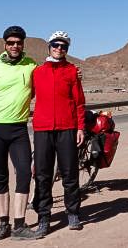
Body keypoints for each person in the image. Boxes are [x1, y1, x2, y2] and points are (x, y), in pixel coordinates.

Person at [0, 25, 42, 241]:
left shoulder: (31, 66)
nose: (15, 46)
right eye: (11, 43)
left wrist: (74, 73)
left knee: (23, 173)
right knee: (0, 177)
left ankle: (19, 225)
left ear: (23, 45)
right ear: (5, 44)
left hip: (18, 129)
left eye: (18, 43)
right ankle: (3, 224)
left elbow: (46, 83)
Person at [31, 31, 87, 235]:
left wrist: (80, 127)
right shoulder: (37, 72)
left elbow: (79, 101)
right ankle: (44, 217)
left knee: (70, 174)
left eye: (64, 47)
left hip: (67, 128)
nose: (59, 49)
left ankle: (72, 213)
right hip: (43, 129)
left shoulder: (72, 71)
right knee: (43, 175)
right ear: (49, 46)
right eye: (56, 45)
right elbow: (24, 94)